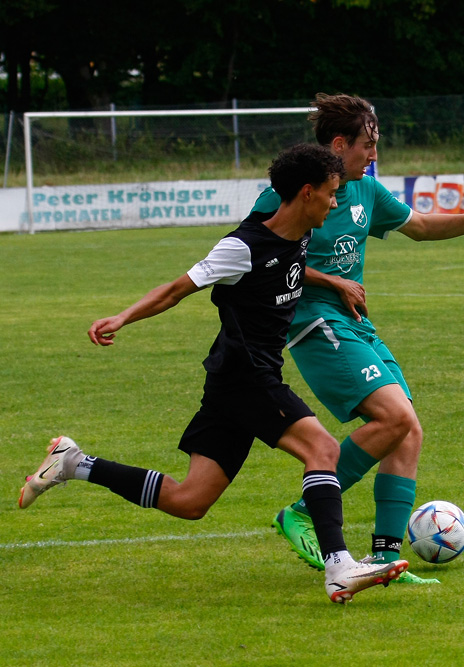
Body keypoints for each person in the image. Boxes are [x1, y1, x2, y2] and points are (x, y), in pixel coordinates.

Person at [17, 144, 408, 603]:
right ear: (306, 194)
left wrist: (336, 280)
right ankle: (340, 567)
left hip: (230, 383)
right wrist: (121, 318)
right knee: (321, 448)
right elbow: (175, 290)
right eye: (331, 193)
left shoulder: (299, 235)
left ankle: (74, 464)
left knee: (190, 501)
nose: (336, 202)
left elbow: (296, 265)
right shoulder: (241, 248)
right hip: (249, 379)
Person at [267, 93, 464, 583]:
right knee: (395, 417)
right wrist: (331, 280)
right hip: (314, 325)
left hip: (355, 324)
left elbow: (422, 226)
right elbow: (262, 252)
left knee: (409, 428)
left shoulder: (365, 189)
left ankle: (384, 558)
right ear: (339, 145)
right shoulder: (292, 190)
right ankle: (303, 508)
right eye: (367, 144)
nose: (374, 154)